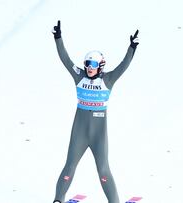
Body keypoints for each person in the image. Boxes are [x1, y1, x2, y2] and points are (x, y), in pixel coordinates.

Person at [51, 20, 139, 203]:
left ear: (100, 65)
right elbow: (65, 59)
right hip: (80, 131)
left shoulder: (108, 79)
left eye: (92, 64)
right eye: (87, 63)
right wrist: (58, 38)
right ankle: (58, 199)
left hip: (98, 134)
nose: (89, 67)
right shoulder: (78, 76)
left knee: (103, 170)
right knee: (69, 166)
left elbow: (123, 65)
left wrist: (131, 48)